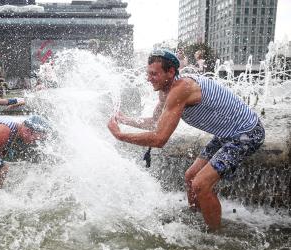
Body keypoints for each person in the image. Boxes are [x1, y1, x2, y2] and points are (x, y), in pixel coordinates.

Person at [107, 49, 265, 231]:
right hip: (227, 134)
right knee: (191, 177)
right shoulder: (166, 90)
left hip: (247, 134)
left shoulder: (182, 89)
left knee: (201, 184)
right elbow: (154, 123)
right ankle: (197, 219)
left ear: (171, 72)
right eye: (148, 73)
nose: (149, 78)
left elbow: (159, 139)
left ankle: (216, 236)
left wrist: (120, 135)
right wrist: (126, 120)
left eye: (154, 74)